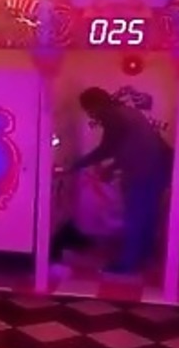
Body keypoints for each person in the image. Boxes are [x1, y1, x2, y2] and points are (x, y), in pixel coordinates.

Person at [69, 87, 173, 274]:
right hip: (160, 166)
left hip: (145, 170)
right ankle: (144, 255)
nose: (91, 115)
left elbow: (107, 148)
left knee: (135, 216)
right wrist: (112, 167)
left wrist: (76, 165)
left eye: (89, 109)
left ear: (96, 105)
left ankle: (127, 264)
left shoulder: (112, 116)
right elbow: (130, 145)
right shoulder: (129, 112)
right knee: (148, 215)